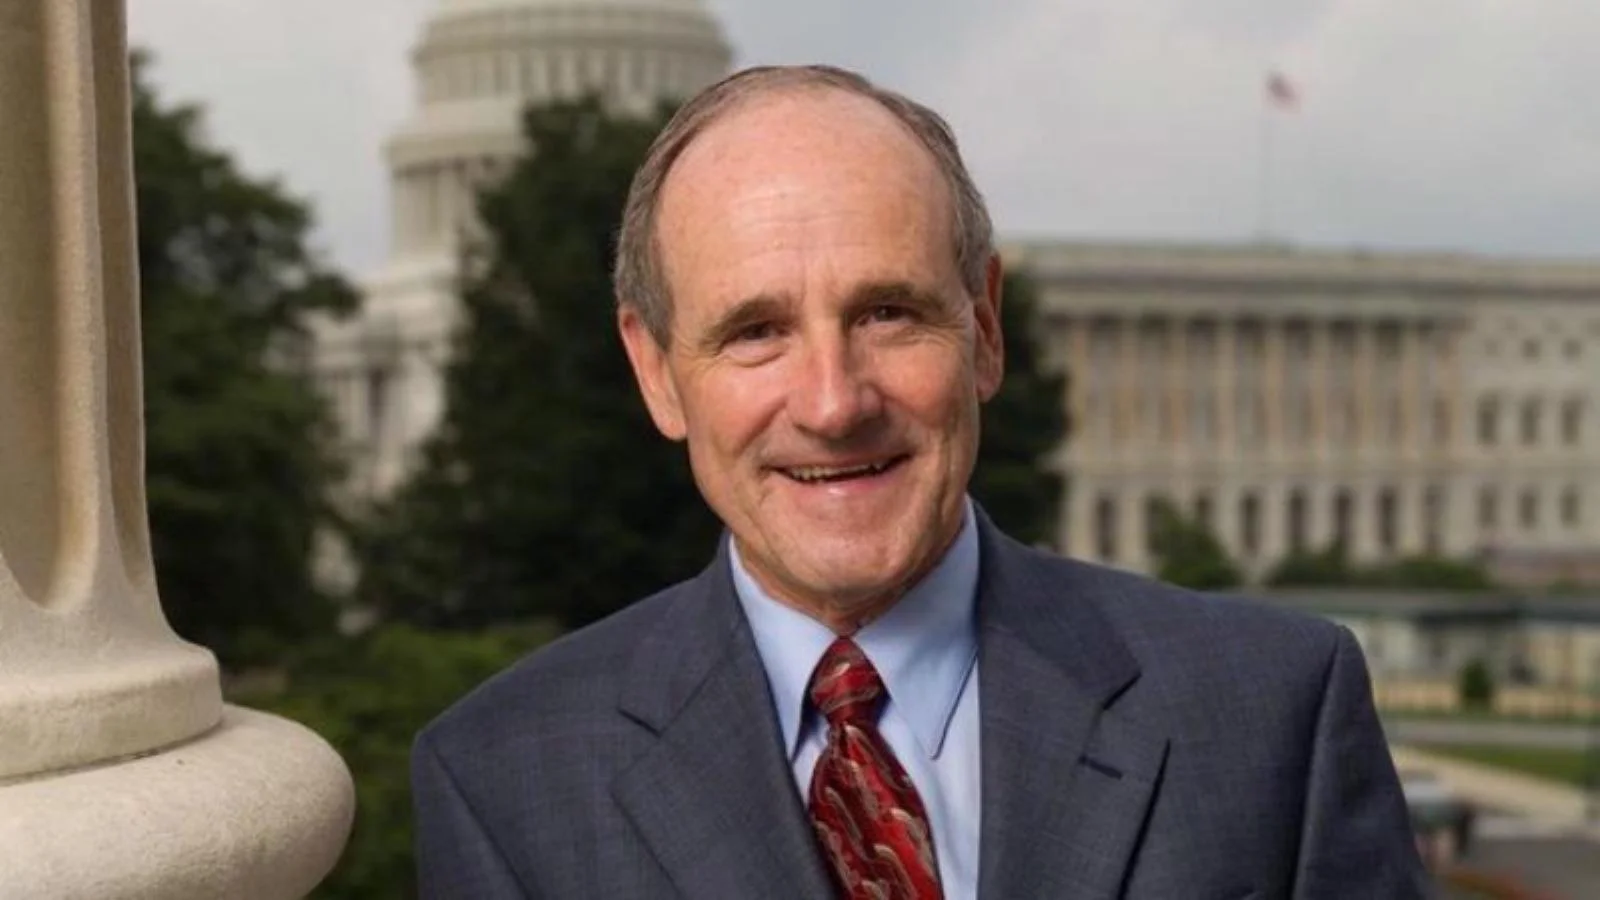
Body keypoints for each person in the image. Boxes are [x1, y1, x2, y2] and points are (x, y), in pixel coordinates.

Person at [411, 64, 1428, 899]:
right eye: (756, 331)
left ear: (984, 326)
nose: (833, 401)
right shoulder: (507, 780)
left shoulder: (1268, 714)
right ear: (656, 371)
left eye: (888, 313)